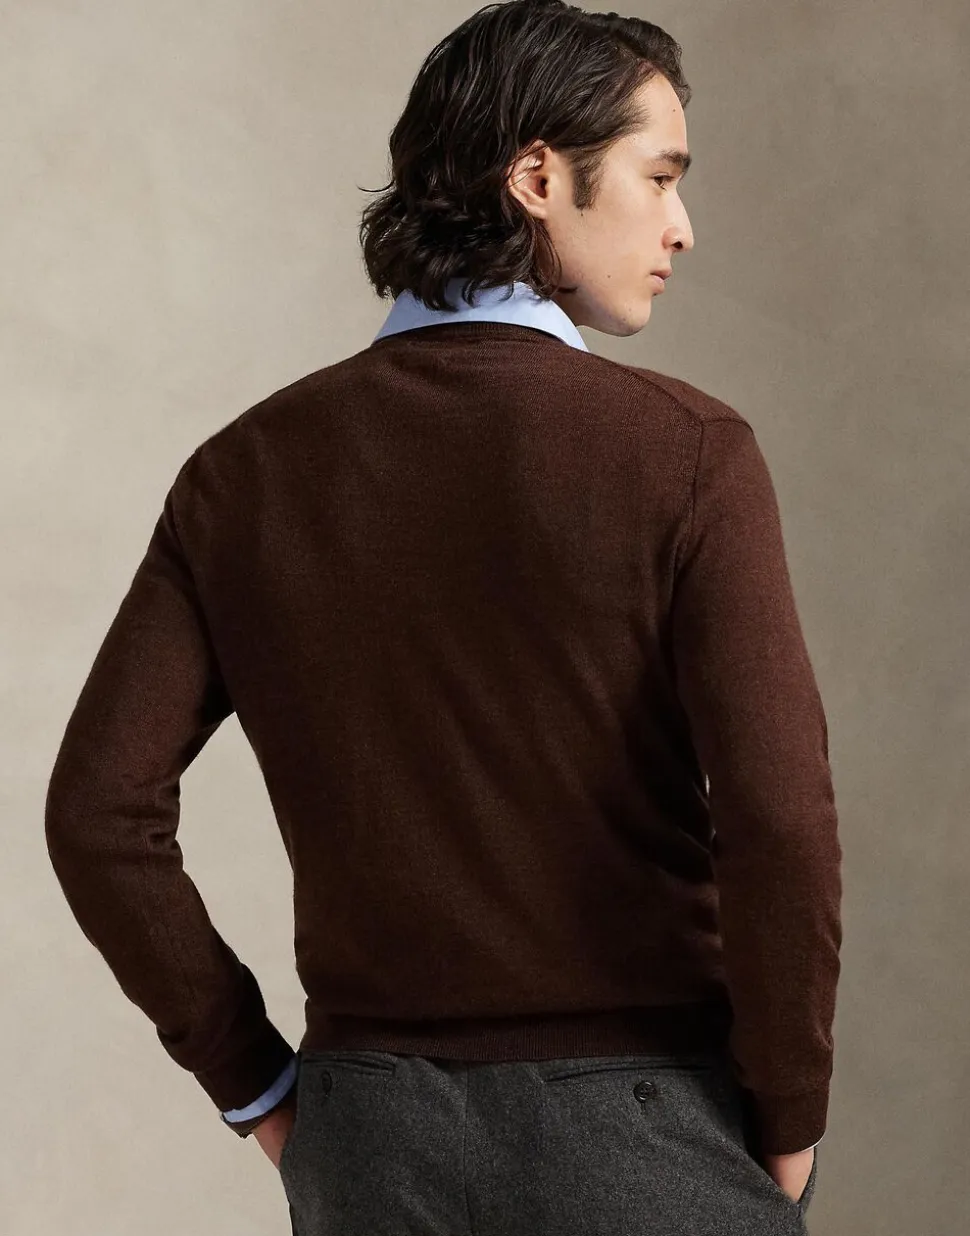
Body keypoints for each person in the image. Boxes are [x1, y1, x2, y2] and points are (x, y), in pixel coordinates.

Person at [44, 1, 841, 1232]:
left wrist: (257, 1085)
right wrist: (786, 1107)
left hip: (370, 1144)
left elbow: (96, 814)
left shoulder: (243, 473)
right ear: (538, 178)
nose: (682, 224)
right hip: (646, 1129)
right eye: (658, 175)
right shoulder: (686, 455)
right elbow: (778, 819)